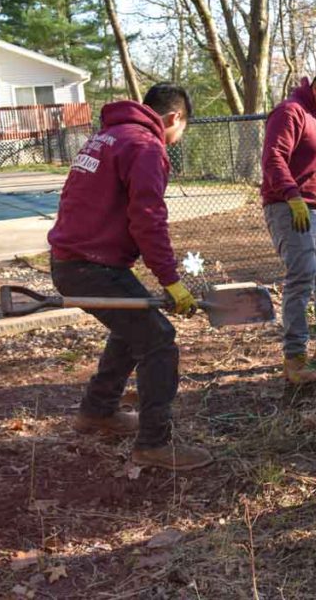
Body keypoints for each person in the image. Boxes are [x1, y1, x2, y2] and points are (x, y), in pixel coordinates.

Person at [48, 83, 213, 471]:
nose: (176, 139)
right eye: (181, 129)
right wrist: (170, 280)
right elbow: (148, 219)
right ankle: (154, 444)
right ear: (174, 117)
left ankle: (98, 411)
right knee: (159, 341)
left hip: (74, 261)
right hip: (91, 266)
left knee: (133, 329)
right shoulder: (145, 145)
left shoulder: (109, 136)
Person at [261, 66, 316, 385]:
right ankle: (295, 358)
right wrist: (292, 195)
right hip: (289, 208)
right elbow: (273, 157)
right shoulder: (290, 113)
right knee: (303, 275)